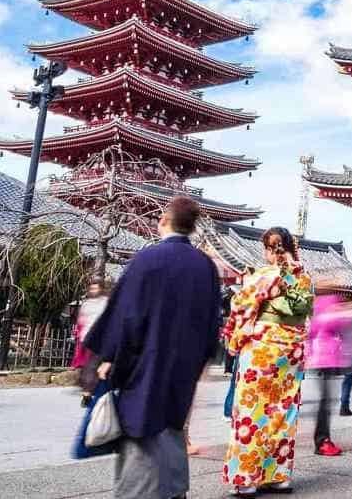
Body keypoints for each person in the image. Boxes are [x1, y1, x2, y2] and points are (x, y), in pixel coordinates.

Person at [83, 196, 220, 499]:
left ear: (163, 221)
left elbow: (125, 314)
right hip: (184, 366)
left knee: (142, 424)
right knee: (172, 425)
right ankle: (174, 490)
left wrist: (107, 357)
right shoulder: (206, 266)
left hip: (145, 361)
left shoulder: (147, 260)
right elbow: (213, 323)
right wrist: (200, 361)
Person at [223, 227, 313, 495]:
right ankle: (278, 476)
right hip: (292, 349)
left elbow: (241, 306)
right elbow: (307, 313)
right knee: (284, 410)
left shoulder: (266, 275)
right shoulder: (304, 276)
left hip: (263, 347)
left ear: (268, 249)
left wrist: (235, 338)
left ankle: (247, 478)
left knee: (253, 411)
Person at [308, 293, 352, 457]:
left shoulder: (322, 307)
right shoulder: (327, 307)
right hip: (324, 357)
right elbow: (335, 324)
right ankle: (322, 441)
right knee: (325, 402)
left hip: (327, 357)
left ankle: (323, 439)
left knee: (327, 401)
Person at [73, 281, 108, 407]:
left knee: (94, 366)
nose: (93, 291)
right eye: (92, 288)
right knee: (87, 366)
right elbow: (81, 321)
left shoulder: (105, 302)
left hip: (100, 338)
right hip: (86, 338)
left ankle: (90, 393)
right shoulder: (86, 304)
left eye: (96, 288)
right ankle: (88, 392)